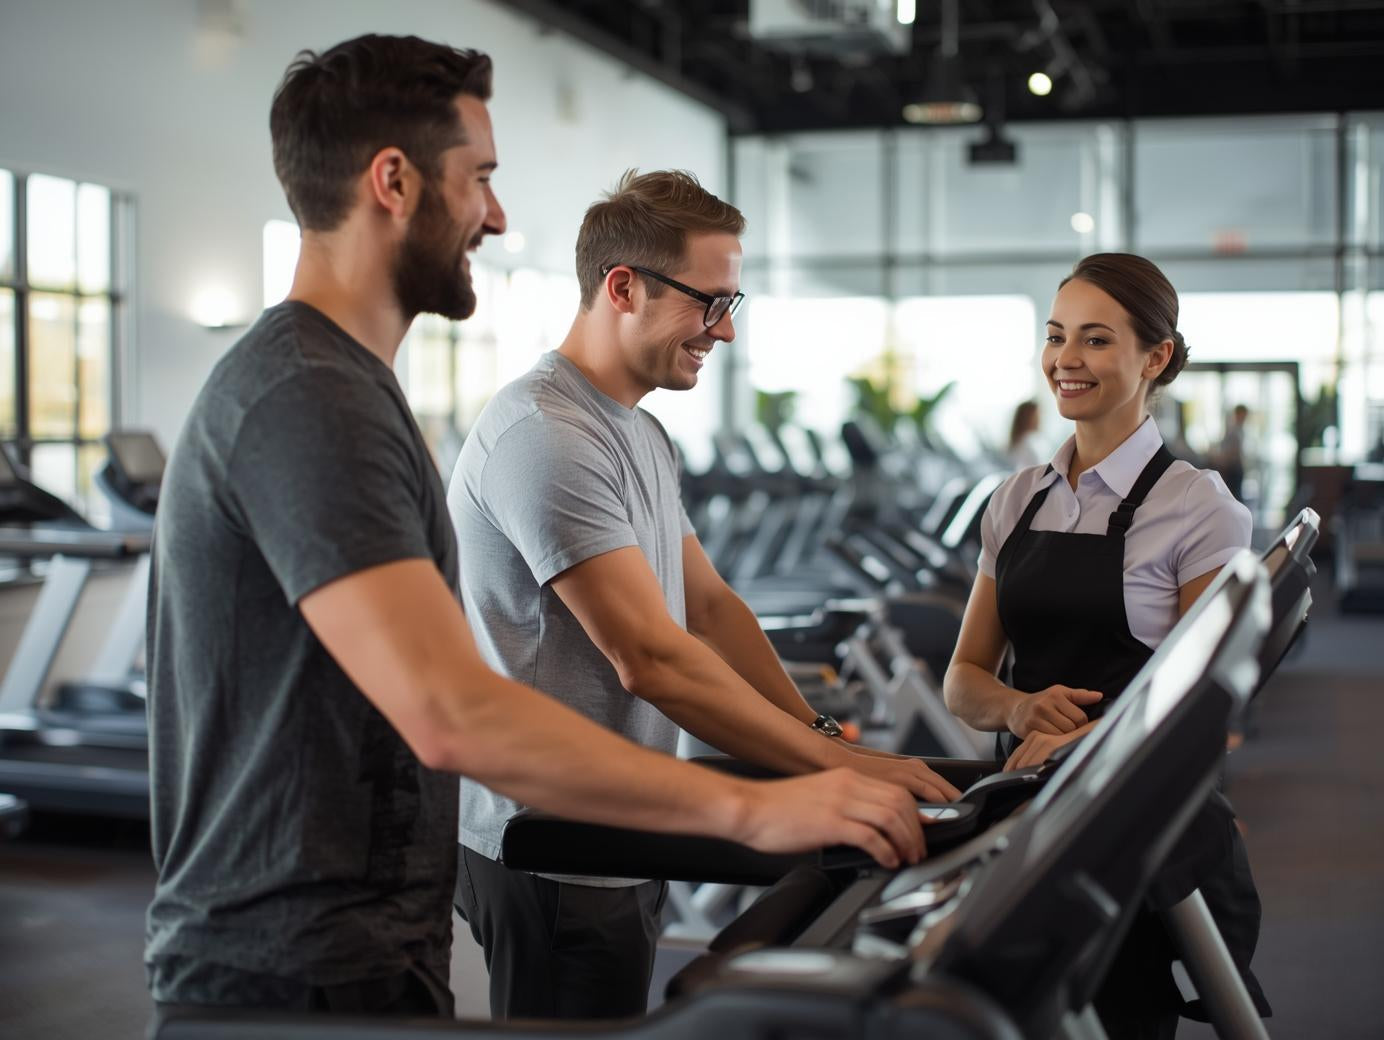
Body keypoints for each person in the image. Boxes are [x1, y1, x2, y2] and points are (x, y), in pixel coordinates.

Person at [144, 35, 931, 1026]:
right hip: (285, 958)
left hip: (362, 933)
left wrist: (816, 748)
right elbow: (454, 707)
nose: (499, 215)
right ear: (393, 181)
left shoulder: (353, 391)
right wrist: (759, 802)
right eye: (479, 178)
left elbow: (703, 611)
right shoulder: (312, 395)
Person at [447, 169, 961, 1022]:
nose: (724, 330)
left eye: (733, 303)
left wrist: (820, 737)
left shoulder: (641, 432)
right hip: (552, 832)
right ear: (624, 287)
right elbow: (652, 658)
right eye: (709, 303)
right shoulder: (545, 435)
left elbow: (713, 611)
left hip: (625, 815)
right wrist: (839, 766)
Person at [942, 253, 1264, 1038]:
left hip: (1132, 824)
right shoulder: (1015, 499)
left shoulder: (1199, 506)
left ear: (1155, 358)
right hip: (1025, 813)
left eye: (1095, 339)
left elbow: (1200, 706)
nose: (1066, 359)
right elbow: (963, 680)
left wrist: (1087, 740)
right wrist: (1018, 709)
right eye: (1057, 336)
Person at [1005, 399, 1044, 469]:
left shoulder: (1018, 442)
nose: (1039, 419)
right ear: (1027, 418)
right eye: (1036, 415)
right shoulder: (1029, 444)